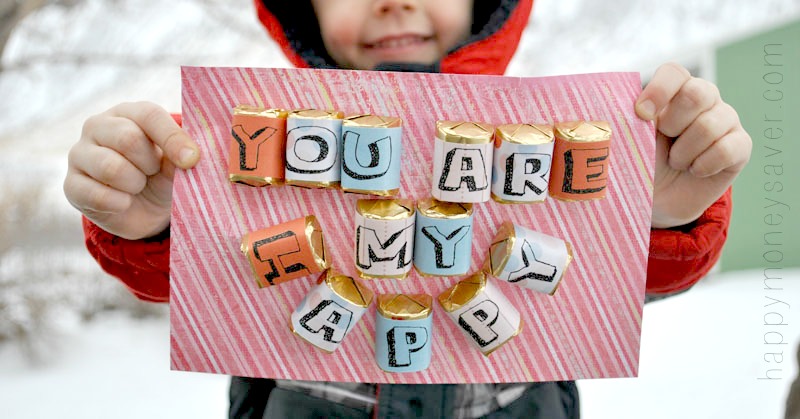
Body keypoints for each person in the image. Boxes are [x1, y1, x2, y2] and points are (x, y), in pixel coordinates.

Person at [63, 1, 752, 418]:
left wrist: (659, 215)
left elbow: (606, 284)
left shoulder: (552, 138)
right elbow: (203, 276)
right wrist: (151, 219)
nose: (392, 2)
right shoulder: (240, 139)